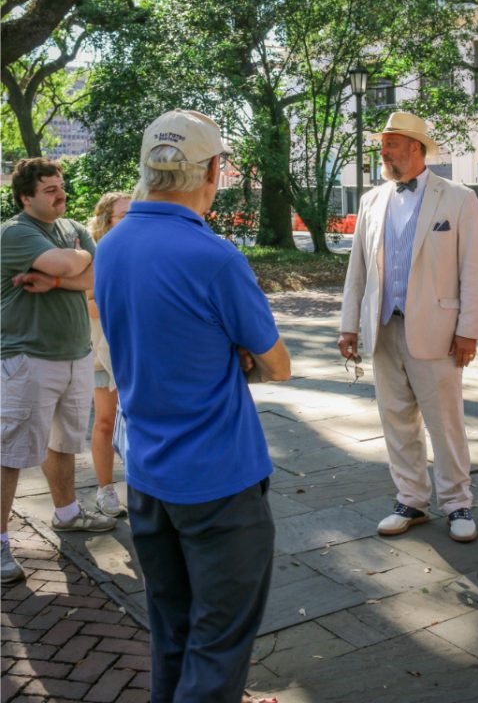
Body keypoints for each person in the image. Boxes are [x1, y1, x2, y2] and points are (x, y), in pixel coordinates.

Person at [95, 109, 291, 703]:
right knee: (219, 641)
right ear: (210, 171)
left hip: (147, 472)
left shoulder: (111, 244)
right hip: (218, 478)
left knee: (172, 631)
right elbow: (277, 363)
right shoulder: (215, 257)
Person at [338, 111, 478, 542]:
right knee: (396, 418)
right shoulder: (371, 201)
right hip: (384, 328)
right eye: (382, 144)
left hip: (439, 332)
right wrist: (350, 326)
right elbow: (358, 271)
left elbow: (474, 271)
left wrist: (468, 331)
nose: (382, 151)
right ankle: (411, 499)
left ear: (415, 148)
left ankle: (458, 502)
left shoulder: (458, 199)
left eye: (390, 144)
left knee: (445, 422)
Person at [1, 159, 116, 586]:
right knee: (9, 451)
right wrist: (78, 261)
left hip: (75, 353)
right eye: (49, 189)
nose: (59, 194)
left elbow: (100, 275)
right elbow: (77, 267)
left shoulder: (69, 229)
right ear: (26, 197)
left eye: (60, 186)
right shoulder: (16, 232)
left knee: (64, 440)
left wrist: (55, 279)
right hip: (27, 356)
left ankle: (67, 513)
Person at [87, 192, 131, 518]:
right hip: (103, 353)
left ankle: (144, 487)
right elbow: (86, 305)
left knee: (138, 420)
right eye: (123, 214)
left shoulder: (139, 253)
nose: (131, 220)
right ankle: (105, 491)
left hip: (135, 351)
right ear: (106, 220)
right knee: (104, 422)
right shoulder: (93, 256)